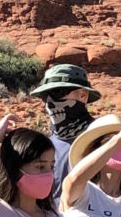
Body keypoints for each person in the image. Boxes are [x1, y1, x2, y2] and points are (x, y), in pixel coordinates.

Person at [28, 63, 104, 202]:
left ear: (83, 96)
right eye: (45, 96)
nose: (50, 102)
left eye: (58, 92)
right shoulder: (43, 147)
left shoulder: (106, 140)